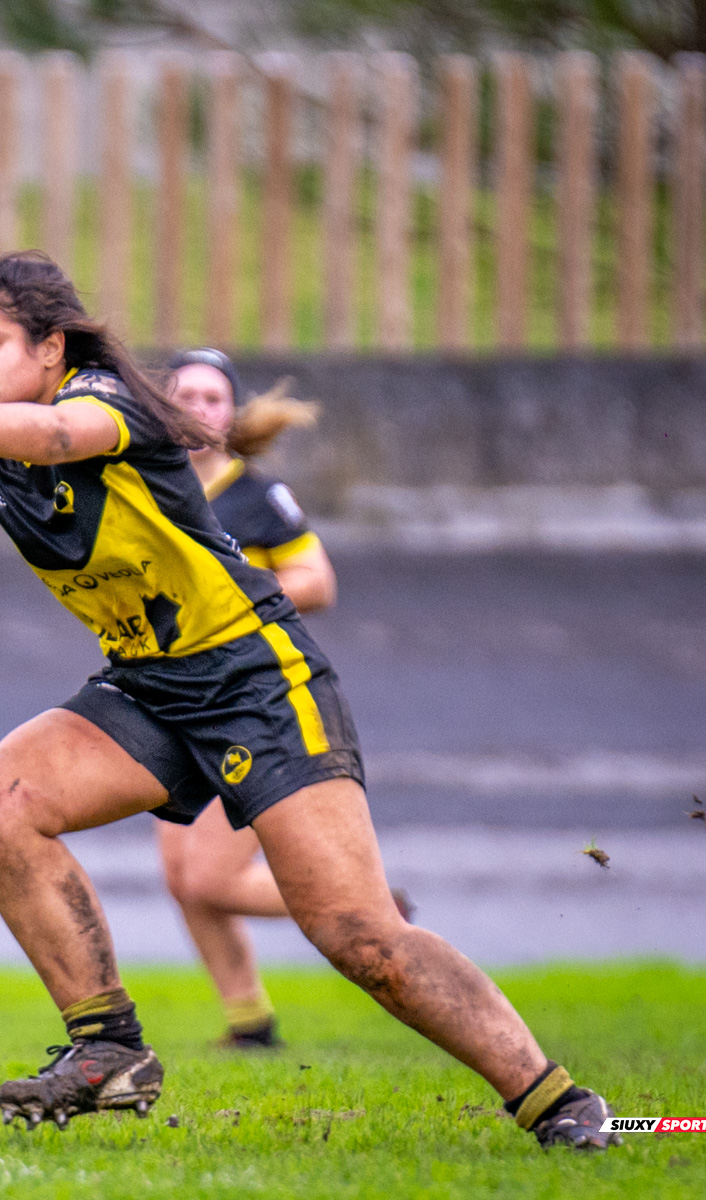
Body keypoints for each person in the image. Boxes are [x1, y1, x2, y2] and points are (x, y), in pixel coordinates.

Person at [0, 250, 619, 1149]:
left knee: (361, 938)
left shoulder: (105, 400)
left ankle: (560, 1102)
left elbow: (55, 438)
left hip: (255, 680)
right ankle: (108, 1049)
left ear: (52, 348)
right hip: (148, 688)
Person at [154, 348, 404, 1051]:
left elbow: (317, 582)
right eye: (184, 395)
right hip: (170, 700)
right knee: (181, 878)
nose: (198, 408)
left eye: (212, 398)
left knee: (209, 879)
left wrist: (224, 604)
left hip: (247, 702)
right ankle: (250, 1026)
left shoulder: (257, 498)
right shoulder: (145, 487)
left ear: (231, 415)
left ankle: (374, 911)